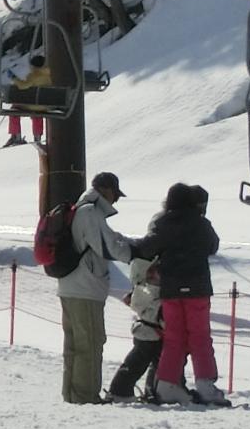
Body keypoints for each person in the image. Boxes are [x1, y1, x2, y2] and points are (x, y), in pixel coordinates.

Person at [129, 182, 228, 407]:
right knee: (200, 336)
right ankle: (205, 385)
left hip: (171, 289)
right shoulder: (201, 223)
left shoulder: (163, 222)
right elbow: (213, 246)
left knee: (174, 337)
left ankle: (166, 385)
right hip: (197, 288)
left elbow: (147, 248)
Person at [55, 172, 134, 405]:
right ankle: (86, 396)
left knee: (75, 345)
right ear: (106, 190)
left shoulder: (81, 209)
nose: (115, 200)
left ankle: (72, 394)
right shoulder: (90, 212)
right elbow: (107, 246)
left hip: (71, 285)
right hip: (85, 287)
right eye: (115, 194)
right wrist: (135, 252)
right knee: (90, 344)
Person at [107, 264, 167, 402]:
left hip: (144, 331)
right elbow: (160, 316)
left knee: (138, 362)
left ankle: (123, 390)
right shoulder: (157, 294)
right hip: (152, 333)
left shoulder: (142, 291)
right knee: (145, 363)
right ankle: (123, 391)